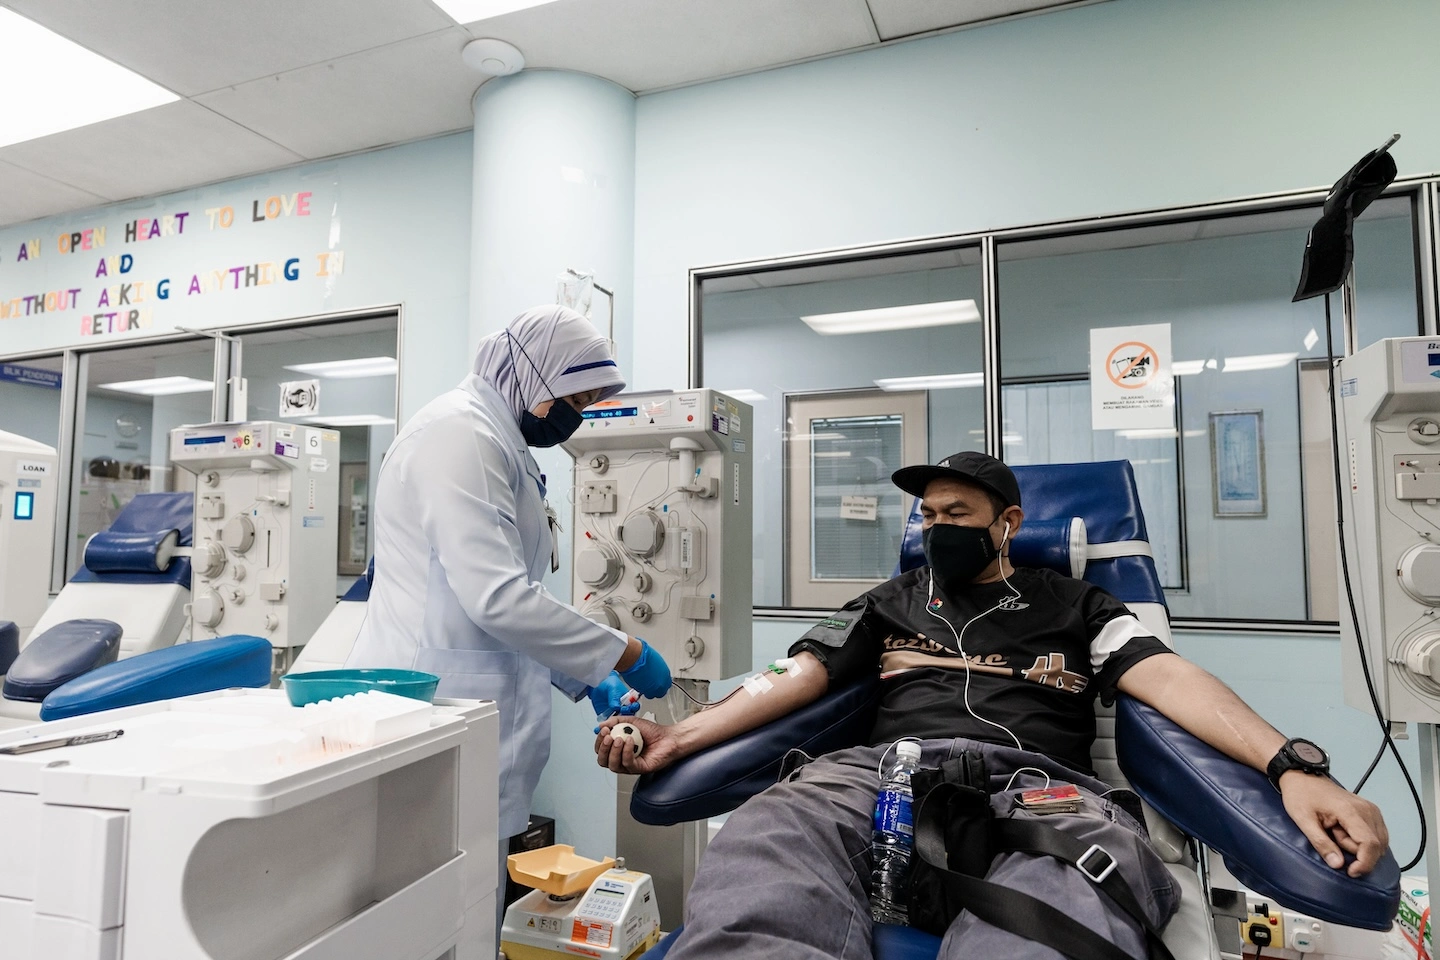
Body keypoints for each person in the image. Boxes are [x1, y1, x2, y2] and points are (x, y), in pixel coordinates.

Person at [595, 451, 1389, 959]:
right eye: (928, 517)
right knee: (766, 837)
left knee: (1065, 897)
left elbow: (1170, 679)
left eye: (958, 516)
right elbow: (795, 676)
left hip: (1041, 790)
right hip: (875, 778)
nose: (937, 529)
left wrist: (1292, 767)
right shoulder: (887, 601)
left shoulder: (1077, 604)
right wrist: (681, 735)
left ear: (1008, 524)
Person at [347, 304, 673, 849]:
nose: (576, 417)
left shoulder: (497, 442)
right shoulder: (460, 435)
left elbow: (513, 596)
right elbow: (498, 600)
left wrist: (586, 675)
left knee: (472, 899)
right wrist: (623, 651)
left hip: (466, 711)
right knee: (438, 902)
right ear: (534, 374)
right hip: (425, 708)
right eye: (573, 401)